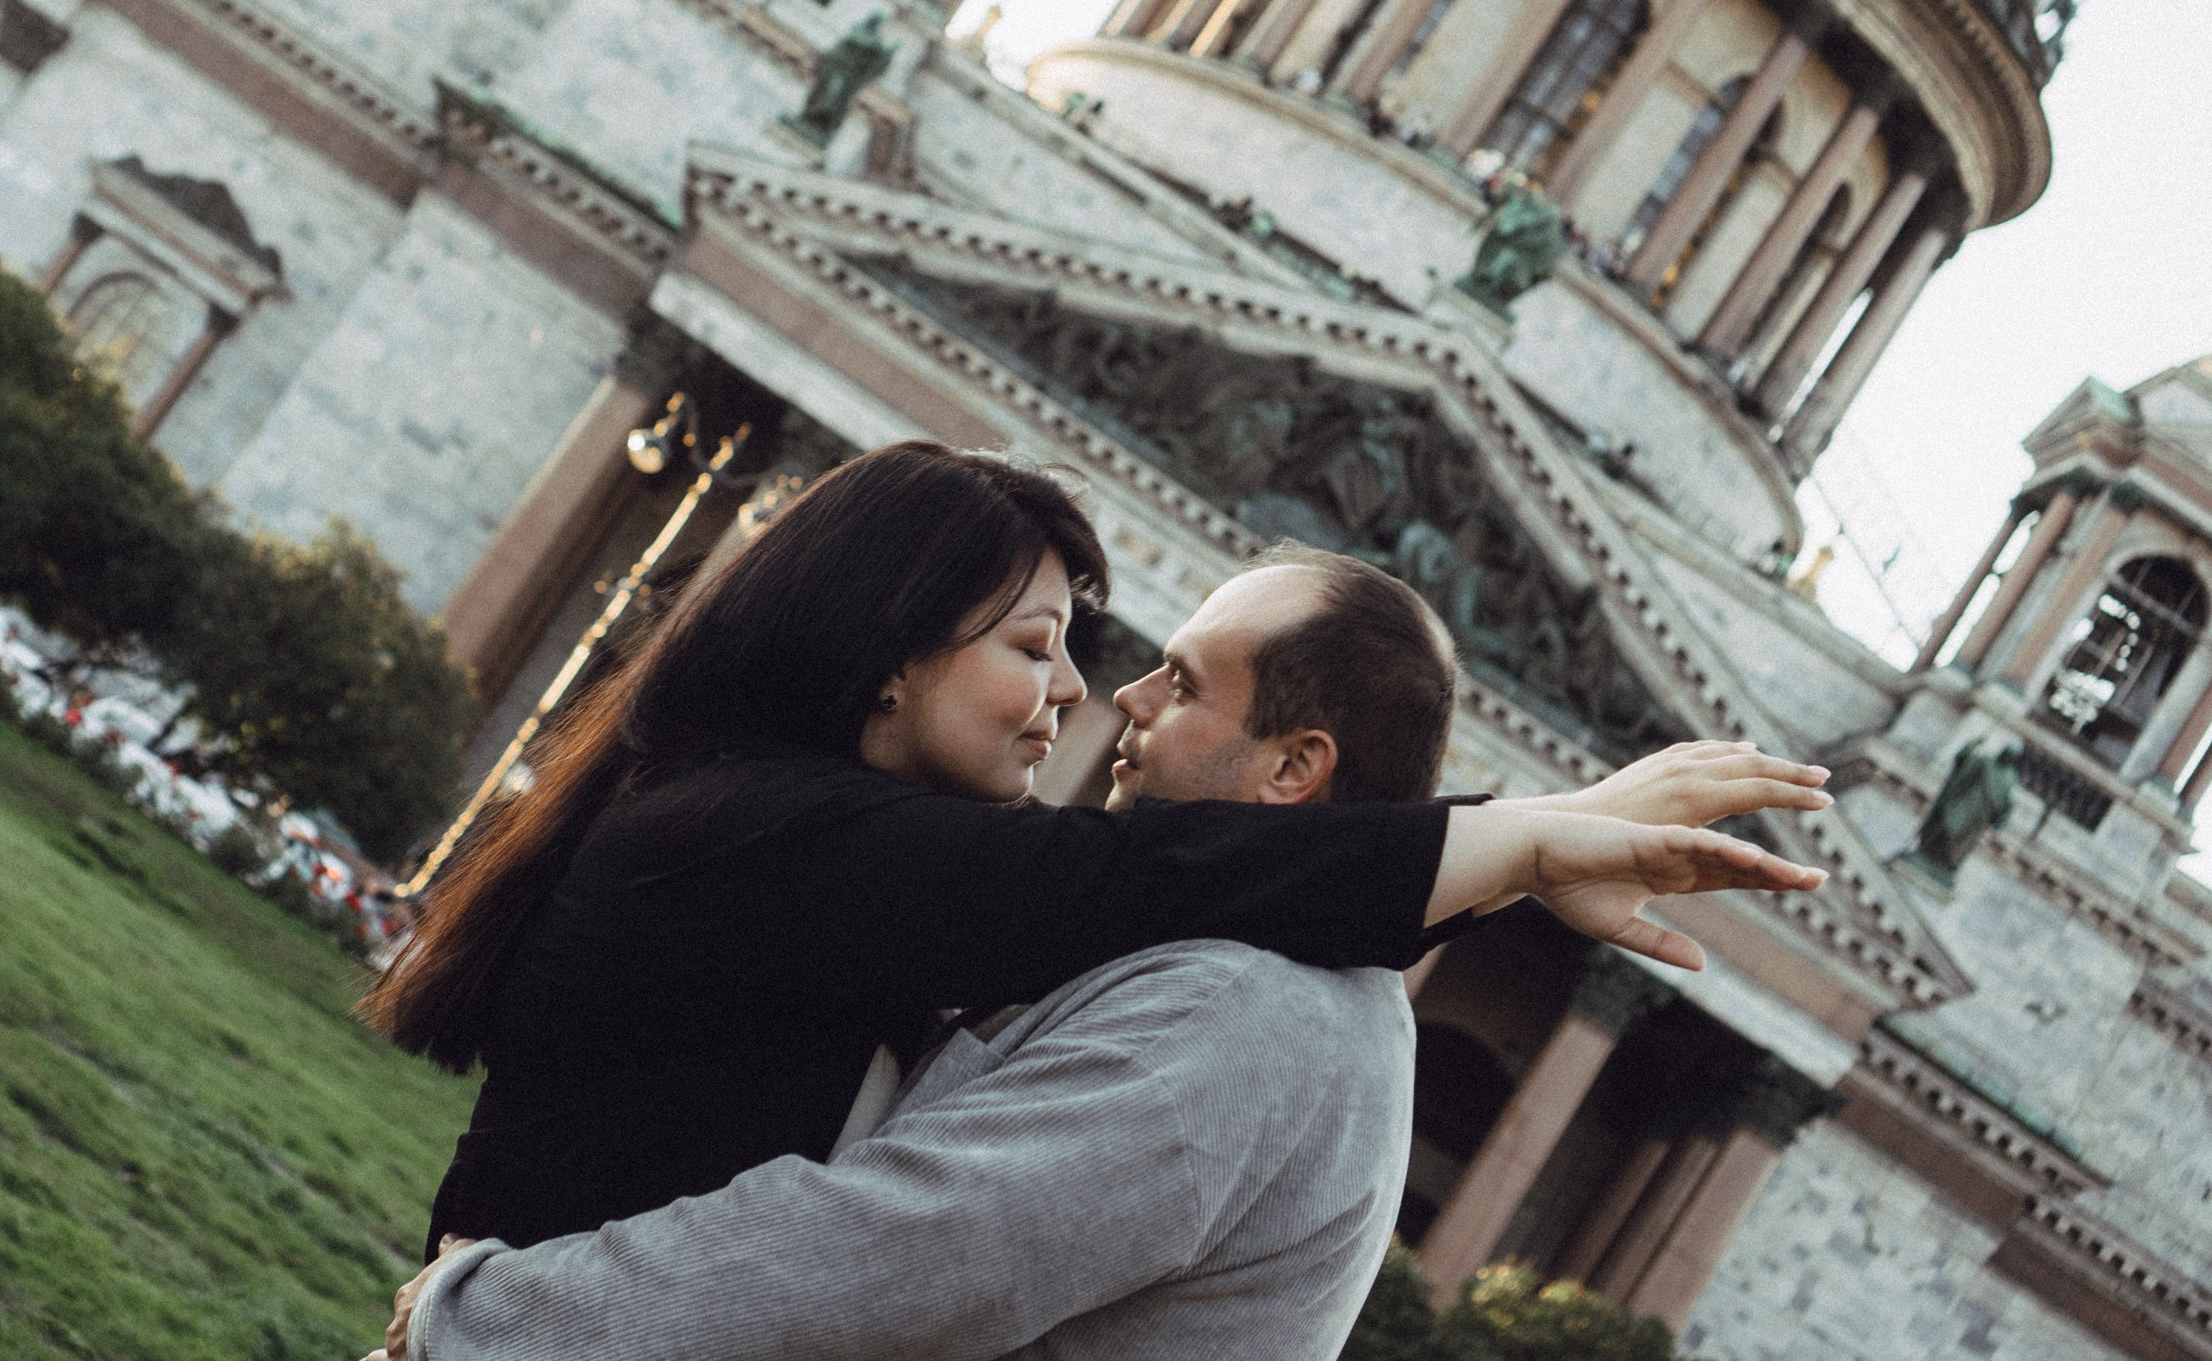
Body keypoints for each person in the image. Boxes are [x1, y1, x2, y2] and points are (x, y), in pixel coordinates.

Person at [360, 444, 1824, 1345]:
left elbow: (907, 1249)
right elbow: (1133, 877)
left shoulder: (1255, 1005)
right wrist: (1518, 846)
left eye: (1173, 679)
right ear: (890, 650)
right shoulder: (783, 834)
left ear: (1296, 767)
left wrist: (491, 1326)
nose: (1099, 692)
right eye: (1041, 643)